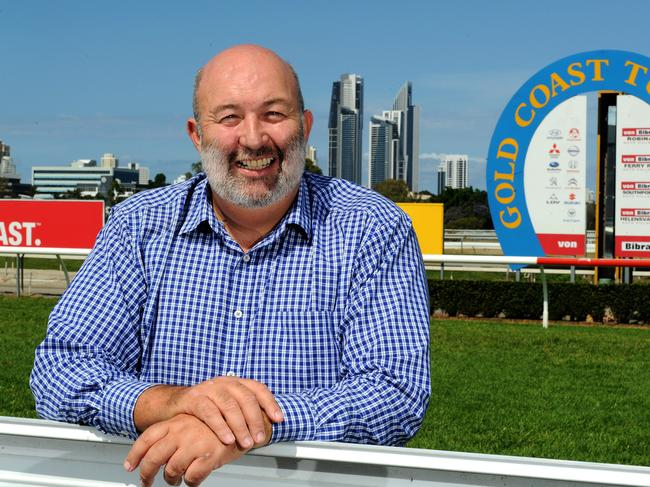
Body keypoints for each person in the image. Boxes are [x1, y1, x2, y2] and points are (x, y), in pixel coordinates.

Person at [31, 44, 431, 487]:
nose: (254, 138)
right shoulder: (137, 226)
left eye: (274, 114)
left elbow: (395, 392)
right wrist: (170, 403)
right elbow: (62, 369)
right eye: (229, 118)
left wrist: (247, 426)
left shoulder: (373, 229)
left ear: (307, 126)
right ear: (196, 135)